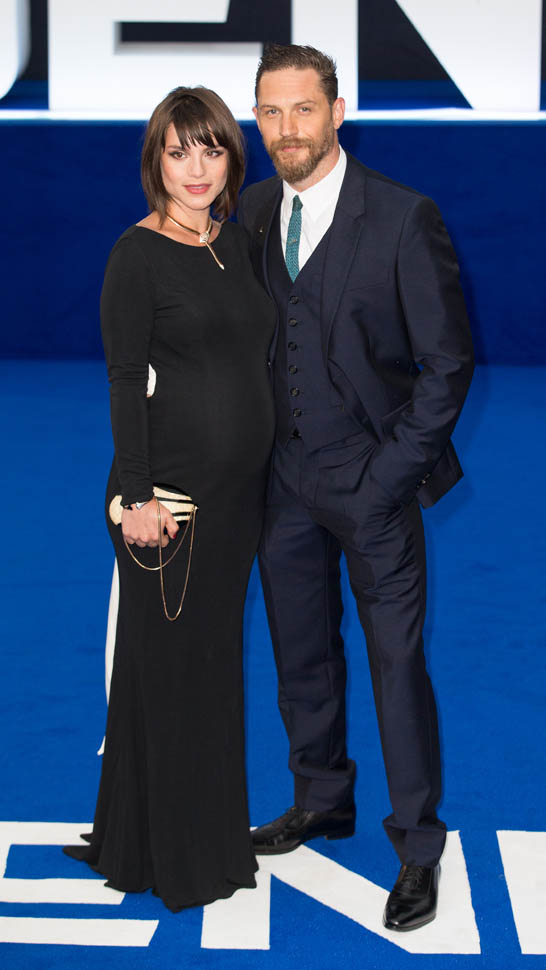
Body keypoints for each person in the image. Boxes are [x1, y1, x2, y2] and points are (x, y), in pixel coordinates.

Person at [238, 44, 474, 931]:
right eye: (271, 112)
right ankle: (321, 798)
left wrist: (388, 477)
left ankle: (417, 845)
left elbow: (447, 366)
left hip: (373, 478)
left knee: (395, 664)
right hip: (282, 481)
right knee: (300, 652)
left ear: (339, 112)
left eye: (303, 109)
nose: (287, 129)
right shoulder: (253, 210)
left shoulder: (405, 217)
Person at [64, 86, 276, 912]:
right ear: (155, 160)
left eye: (211, 149)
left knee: (205, 670)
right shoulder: (137, 254)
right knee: (174, 674)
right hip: (169, 503)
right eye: (178, 151)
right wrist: (136, 497)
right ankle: (175, 857)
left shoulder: (238, 241)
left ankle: (156, 835)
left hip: (236, 502)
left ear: (231, 157)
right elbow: (125, 381)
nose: (196, 168)